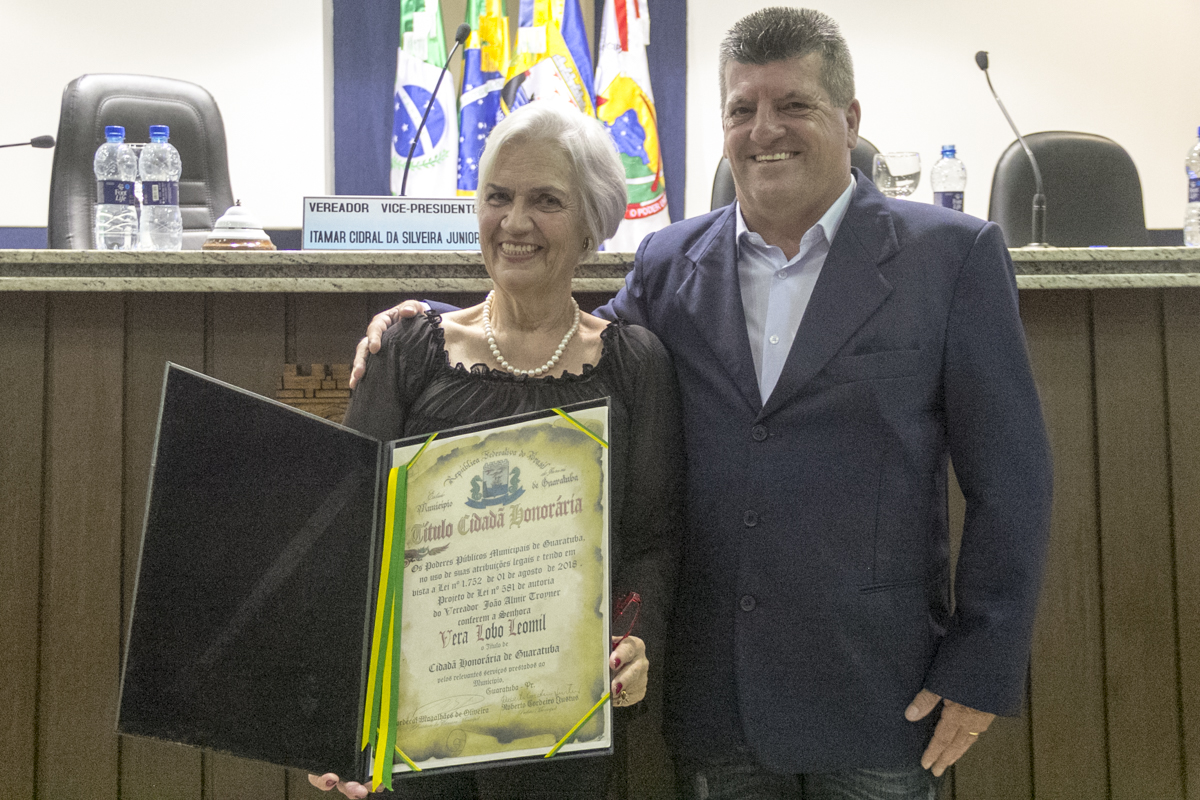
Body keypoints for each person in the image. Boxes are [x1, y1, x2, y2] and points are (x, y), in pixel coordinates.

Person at [352, 8, 1053, 799]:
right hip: (720, 701)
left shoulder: (951, 258)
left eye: (793, 105)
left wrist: (981, 666)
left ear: (850, 119)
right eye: (742, 108)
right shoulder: (669, 261)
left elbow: (1013, 482)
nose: (764, 130)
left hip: (879, 692)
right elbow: (559, 350)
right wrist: (426, 323)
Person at [312, 102, 684, 799]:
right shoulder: (408, 351)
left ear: (592, 222)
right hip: (418, 732)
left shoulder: (636, 364)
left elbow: (651, 543)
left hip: (563, 730)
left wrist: (634, 643)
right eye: (498, 197)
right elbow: (349, 540)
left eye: (546, 200)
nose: (515, 222)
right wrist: (336, 716)